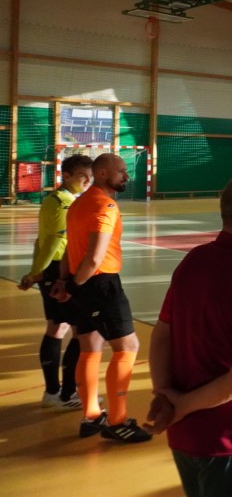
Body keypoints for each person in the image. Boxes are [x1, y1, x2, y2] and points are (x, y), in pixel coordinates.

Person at [145, 175, 232, 497]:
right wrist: (180, 406)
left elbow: (162, 335)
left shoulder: (194, 260)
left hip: (187, 437)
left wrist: (166, 395)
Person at [56, 153, 151, 442]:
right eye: (121, 171)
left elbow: (69, 248)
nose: (126, 176)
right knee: (127, 347)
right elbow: (95, 257)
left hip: (80, 282)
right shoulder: (105, 206)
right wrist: (74, 286)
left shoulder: (78, 203)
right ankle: (118, 421)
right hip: (100, 284)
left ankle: (91, 416)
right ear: (102, 174)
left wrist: (64, 282)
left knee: (90, 347)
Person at [19, 153, 93, 411]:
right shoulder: (65, 204)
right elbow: (52, 242)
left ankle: (53, 392)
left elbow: (39, 240)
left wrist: (35, 271)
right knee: (79, 331)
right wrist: (37, 273)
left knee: (57, 327)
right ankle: (67, 393)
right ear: (67, 176)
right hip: (60, 270)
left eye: (90, 176)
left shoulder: (53, 199)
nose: (87, 181)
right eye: (82, 176)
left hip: (50, 270)